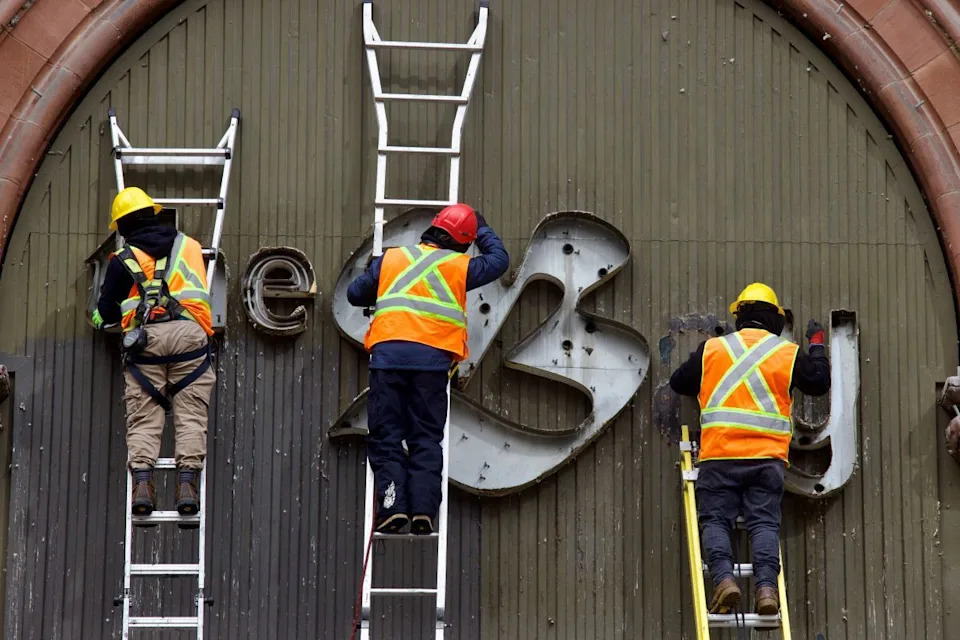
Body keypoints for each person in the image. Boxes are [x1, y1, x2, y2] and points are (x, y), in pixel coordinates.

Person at [669, 283, 830, 616]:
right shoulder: (787, 352)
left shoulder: (712, 349)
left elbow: (678, 383)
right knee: (764, 524)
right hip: (766, 460)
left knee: (715, 520)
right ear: (774, 318)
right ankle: (767, 589)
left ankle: (725, 581)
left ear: (739, 316)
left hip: (720, 456)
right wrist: (816, 344)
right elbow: (818, 382)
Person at [348, 204, 508, 534]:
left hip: (389, 360)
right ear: (464, 241)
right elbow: (498, 261)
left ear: (432, 228)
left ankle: (393, 508)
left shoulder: (391, 259)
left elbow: (354, 294)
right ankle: (423, 511)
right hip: (432, 366)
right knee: (425, 438)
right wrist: (481, 227)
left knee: (386, 436)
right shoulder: (460, 266)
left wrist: (378, 281)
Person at [92, 187, 216, 523]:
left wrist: (100, 319)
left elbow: (105, 312)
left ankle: (143, 488)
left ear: (122, 227)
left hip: (145, 343)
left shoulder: (122, 261)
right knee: (191, 415)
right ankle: (187, 486)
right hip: (190, 339)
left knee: (144, 418)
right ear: (153, 213)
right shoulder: (191, 248)